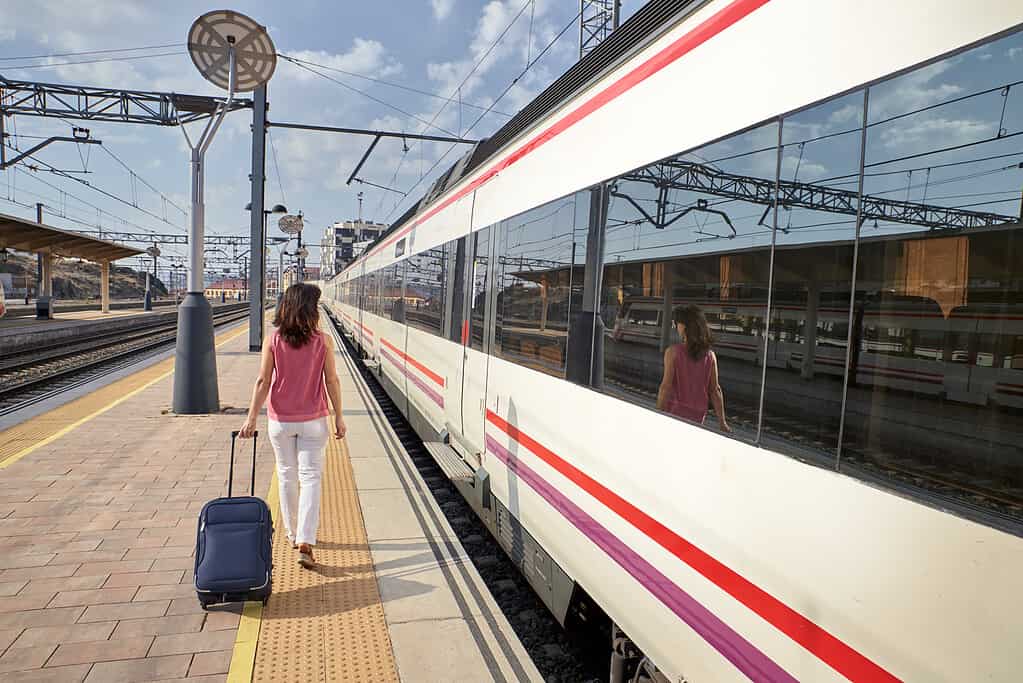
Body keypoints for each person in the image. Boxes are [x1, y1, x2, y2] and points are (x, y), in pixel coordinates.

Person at [239, 283, 347, 569]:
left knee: (287, 476)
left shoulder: (273, 339)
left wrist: (251, 418)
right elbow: (332, 381)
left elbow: (262, 381)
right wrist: (338, 415)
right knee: (311, 477)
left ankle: (291, 533)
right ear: (310, 309)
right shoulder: (323, 341)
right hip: (313, 421)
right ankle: (305, 540)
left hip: (280, 422)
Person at [656, 304, 731, 432]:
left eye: (677, 323)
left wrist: (657, 413)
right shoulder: (710, 356)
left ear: (684, 326)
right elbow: (715, 390)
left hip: (675, 414)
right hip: (698, 415)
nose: (676, 327)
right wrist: (722, 423)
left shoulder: (673, 352)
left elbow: (665, 387)